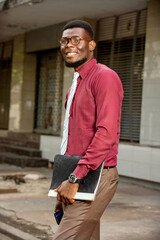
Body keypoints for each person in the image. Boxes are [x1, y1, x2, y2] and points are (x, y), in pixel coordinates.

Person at [53, 20, 123, 240]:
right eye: (64, 41)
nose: (69, 45)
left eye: (76, 39)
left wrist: (74, 178)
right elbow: (72, 140)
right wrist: (63, 182)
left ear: (91, 45)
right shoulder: (75, 86)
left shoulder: (104, 77)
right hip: (75, 175)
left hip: (96, 174)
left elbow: (106, 133)